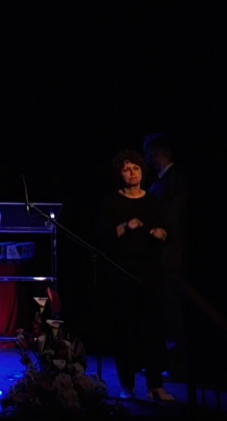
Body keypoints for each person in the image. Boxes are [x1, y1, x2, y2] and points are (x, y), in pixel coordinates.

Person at [99, 149, 175, 401]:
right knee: (126, 331)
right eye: (126, 169)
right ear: (119, 174)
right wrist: (124, 226)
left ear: (142, 171)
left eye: (135, 168)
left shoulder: (153, 201)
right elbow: (104, 237)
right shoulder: (113, 202)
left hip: (151, 273)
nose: (131, 173)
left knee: (154, 329)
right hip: (122, 274)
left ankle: (156, 385)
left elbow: (166, 231)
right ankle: (127, 386)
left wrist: (159, 233)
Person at [142, 132, 190, 380]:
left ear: (156, 154)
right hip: (157, 255)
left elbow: (174, 212)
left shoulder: (175, 180)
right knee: (160, 310)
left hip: (170, 253)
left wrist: (161, 229)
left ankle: (177, 366)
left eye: (149, 155)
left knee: (171, 310)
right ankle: (160, 362)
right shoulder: (159, 182)